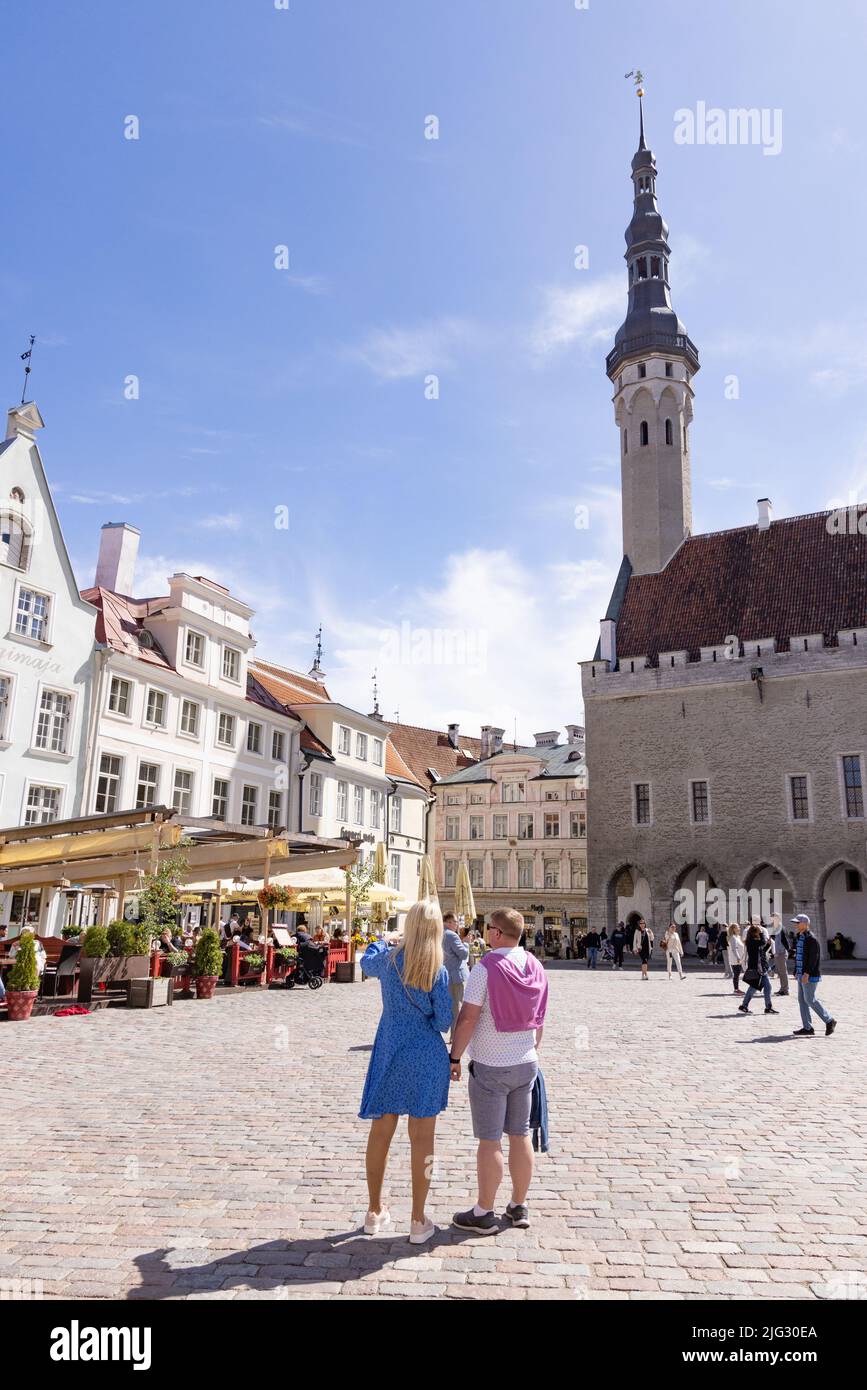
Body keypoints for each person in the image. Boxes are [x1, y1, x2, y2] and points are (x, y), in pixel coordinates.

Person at [449, 908, 548, 1235]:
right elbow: (540, 1018)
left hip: (492, 1065)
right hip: (526, 1062)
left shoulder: (486, 968)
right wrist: (531, 1050)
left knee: (489, 1140)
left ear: (495, 933)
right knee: (520, 1135)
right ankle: (518, 1206)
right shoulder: (534, 965)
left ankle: (483, 1212)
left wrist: (455, 1057)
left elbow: (468, 1018)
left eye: (487, 928)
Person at [358, 899, 451, 1244]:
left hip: (390, 1051)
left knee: (381, 1133)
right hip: (426, 1056)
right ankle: (417, 1218)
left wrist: (382, 940)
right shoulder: (437, 969)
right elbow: (443, 1020)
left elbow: (366, 961)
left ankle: (373, 1210)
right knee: (423, 1140)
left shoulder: (388, 959)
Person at [791, 914, 837, 1037]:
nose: (795, 924)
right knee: (802, 1000)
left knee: (810, 999)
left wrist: (807, 973)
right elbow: (799, 955)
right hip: (801, 974)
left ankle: (829, 1020)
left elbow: (813, 958)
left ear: (805, 924)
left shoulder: (811, 939)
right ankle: (807, 1027)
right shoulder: (799, 937)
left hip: (809, 974)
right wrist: (796, 970)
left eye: (798, 922)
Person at [737, 925, 778, 1016]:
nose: (760, 933)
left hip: (762, 968)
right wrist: (762, 933)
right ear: (754, 933)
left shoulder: (756, 942)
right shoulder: (751, 942)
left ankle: (768, 1007)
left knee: (767, 987)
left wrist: (768, 945)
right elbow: (761, 942)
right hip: (756, 969)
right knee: (753, 988)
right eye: (758, 931)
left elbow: (762, 951)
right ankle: (744, 1005)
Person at [442, 911, 470, 1038]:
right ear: (448, 922)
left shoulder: (440, 933)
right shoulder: (452, 935)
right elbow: (463, 954)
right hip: (456, 976)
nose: (457, 924)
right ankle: (456, 1035)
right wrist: (466, 943)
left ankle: (453, 1033)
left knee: (450, 1005)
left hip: (445, 974)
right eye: (455, 922)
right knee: (457, 1006)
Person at [771, 915, 790, 996]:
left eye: (773, 919)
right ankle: (783, 989)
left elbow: (780, 942)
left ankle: (785, 990)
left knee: (783, 972)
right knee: (780, 972)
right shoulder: (777, 928)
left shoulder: (780, 928)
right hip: (779, 952)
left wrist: (776, 952)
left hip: (780, 952)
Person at [727, 923, 745, 994]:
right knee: (736, 974)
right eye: (738, 927)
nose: (739, 928)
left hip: (740, 958)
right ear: (733, 929)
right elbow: (734, 949)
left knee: (737, 974)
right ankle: (736, 989)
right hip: (735, 959)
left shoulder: (738, 937)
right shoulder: (733, 937)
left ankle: (736, 989)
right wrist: (738, 958)